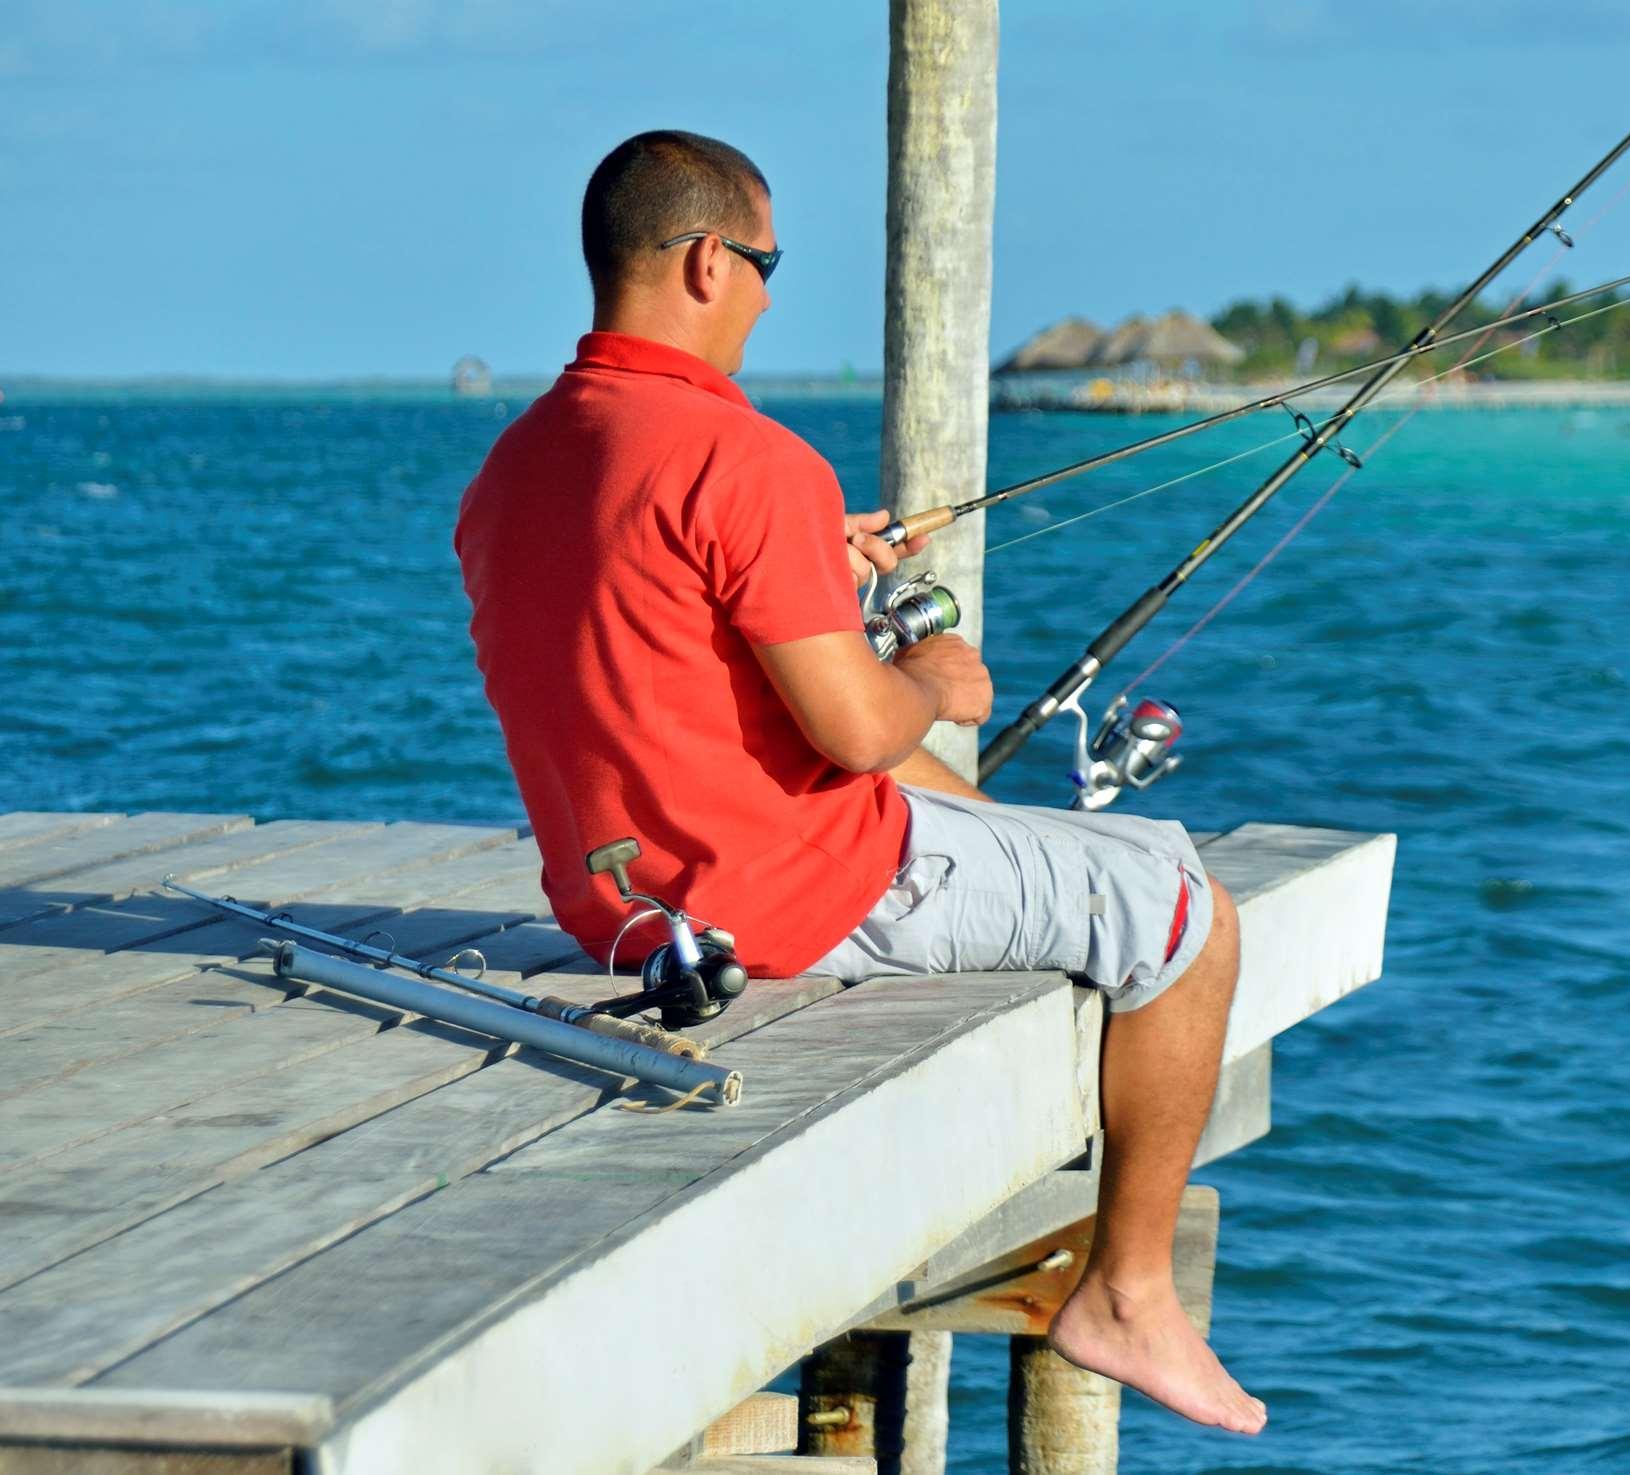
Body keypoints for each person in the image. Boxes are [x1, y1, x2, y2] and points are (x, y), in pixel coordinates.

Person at [455, 132, 1262, 1435]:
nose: (771, 295)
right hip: (793, 903)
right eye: (766, 266)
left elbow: (652, 621)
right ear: (711, 261)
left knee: (988, 814)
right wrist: (937, 675)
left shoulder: (519, 466)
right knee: (1182, 909)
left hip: (624, 911)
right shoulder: (747, 460)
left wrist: (807, 564)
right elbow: (856, 734)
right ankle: (1124, 1294)